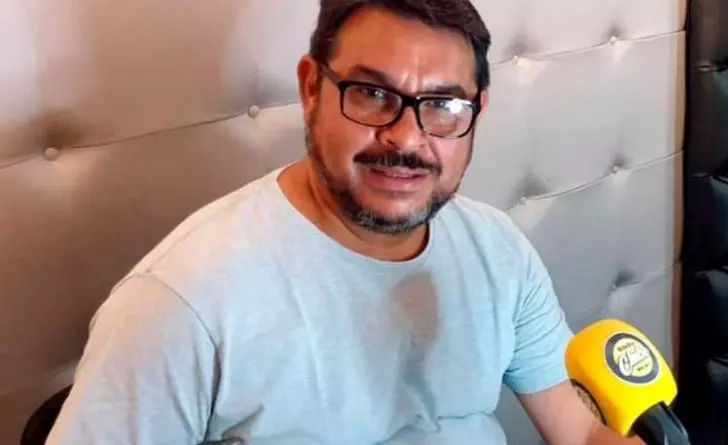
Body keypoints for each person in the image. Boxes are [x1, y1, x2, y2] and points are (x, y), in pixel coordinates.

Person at [46, 1, 642, 444]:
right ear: (312, 90)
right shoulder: (180, 305)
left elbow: (578, 430)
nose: (407, 138)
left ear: (476, 113)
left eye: (442, 105)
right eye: (372, 95)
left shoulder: (497, 250)